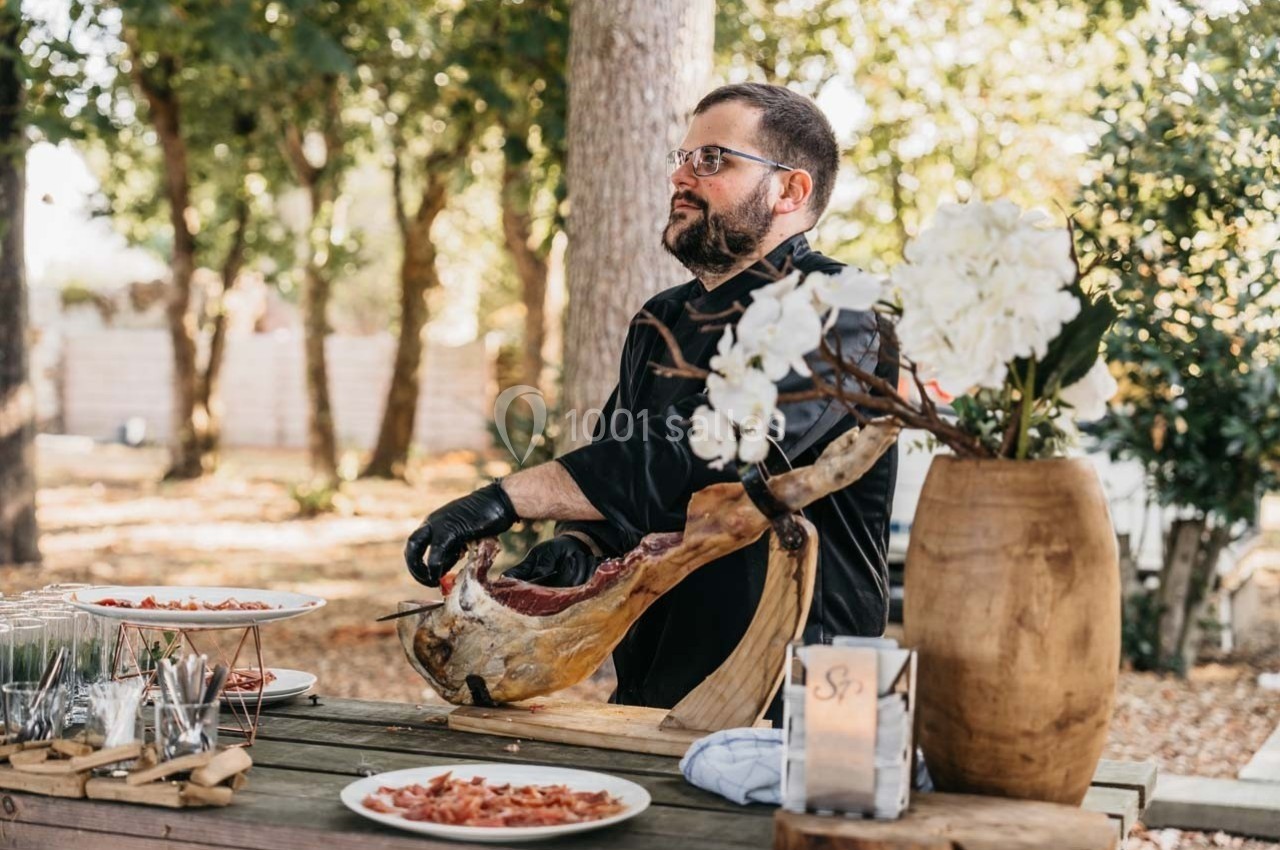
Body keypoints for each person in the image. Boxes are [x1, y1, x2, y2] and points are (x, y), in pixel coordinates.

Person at [404, 83, 898, 721]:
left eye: (712, 160)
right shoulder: (661, 319)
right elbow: (622, 464)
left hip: (798, 700)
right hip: (655, 690)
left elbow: (702, 462)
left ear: (790, 191)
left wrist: (501, 499)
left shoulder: (842, 310)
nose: (680, 176)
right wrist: (578, 548)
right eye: (683, 157)